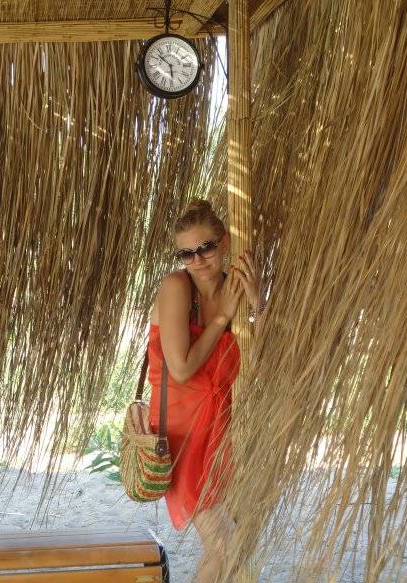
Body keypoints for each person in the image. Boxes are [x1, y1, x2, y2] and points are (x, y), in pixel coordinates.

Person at [147, 198, 262, 582]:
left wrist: (257, 304)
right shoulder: (177, 287)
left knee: (230, 546)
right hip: (182, 438)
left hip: (220, 433)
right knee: (225, 544)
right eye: (186, 253)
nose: (197, 260)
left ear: (224, 242)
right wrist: (223, 316)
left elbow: (265, 359)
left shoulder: (235, 288)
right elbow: (181, 368)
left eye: (206, 248)